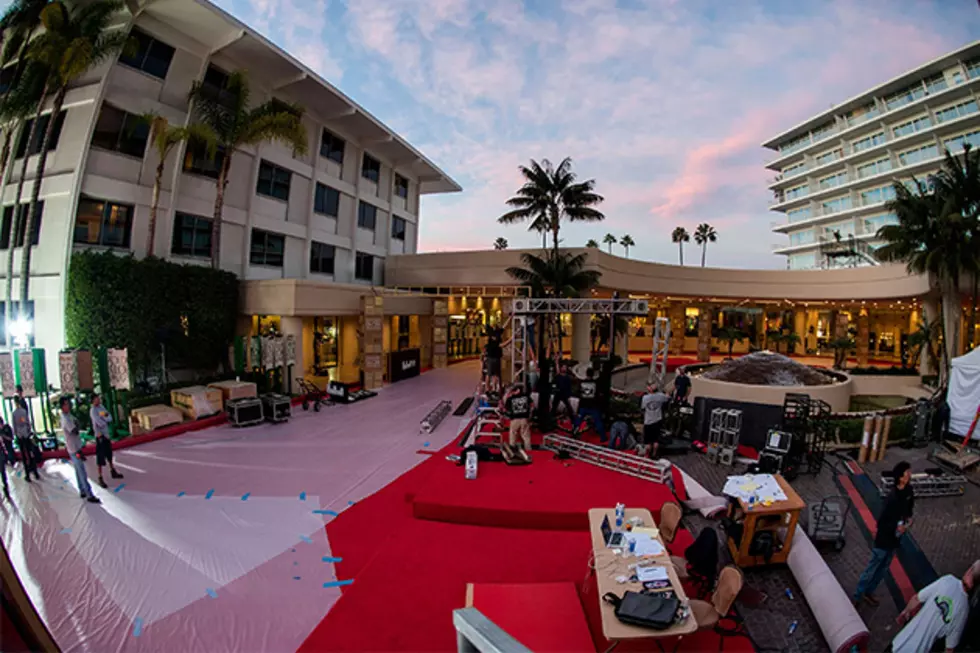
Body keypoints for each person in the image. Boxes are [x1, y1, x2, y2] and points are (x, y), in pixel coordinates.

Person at [854, 460, 914, 606]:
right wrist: (896, 528)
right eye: (907, 472)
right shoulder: (892, 498)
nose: (910, 474)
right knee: (873, 567)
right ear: (900, 477)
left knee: (883, 568)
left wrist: (908, 522)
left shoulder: (909, 491)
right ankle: (858, 595)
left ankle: (869, 592)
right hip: (884, 539)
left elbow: (910, 510)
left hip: (895, 539)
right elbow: (882, 521)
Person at [891, 560, 979, 653]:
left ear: (969, 571)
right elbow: (949, 648)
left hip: (900, 642)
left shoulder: (948, 580)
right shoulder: (964, 611)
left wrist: (906, 611)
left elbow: (917, 598)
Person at [60, 398, 100, 504]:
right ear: (62, 406)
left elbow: (77, 424)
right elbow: (75, 430)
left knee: (78, 469)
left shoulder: (69, 416)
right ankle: (89, 493)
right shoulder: (65, 419)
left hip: (76, 445)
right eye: (66, 404)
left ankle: (82, 490)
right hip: (73, 447)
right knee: (81, 470)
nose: (68, 406)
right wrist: (77, 425)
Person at [89, 394, 123, 488]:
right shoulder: (93, 411)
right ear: (93, 401)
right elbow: (99, 423)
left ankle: (113, 470)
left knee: (109, 454)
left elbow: (109, 417)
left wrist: (104, 418)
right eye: (96, 399)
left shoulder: (101, 407)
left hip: (106, 435)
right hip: (100, 436)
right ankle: (100, 477)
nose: (98, 400)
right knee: (100, 457)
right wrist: (104, 419)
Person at [574, 368, 605, 442]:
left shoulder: (582, 383)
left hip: (583, 405)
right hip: (593, 406)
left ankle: (574, 434)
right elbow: (599, 395)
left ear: (586, 374)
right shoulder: (596, 383)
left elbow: (578, 393)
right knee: (598, 421)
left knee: (578, 421)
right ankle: (603, 437)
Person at [12, 398, 39, 482]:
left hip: (20, 436)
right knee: (30, 453)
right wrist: (28, 431)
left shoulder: (14, 413)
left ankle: (27, 475)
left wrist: (17, 434)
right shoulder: (24, 412)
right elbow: (28, 422)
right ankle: (35, 472)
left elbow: (14, 426)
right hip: (26, 434)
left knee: (24, 456)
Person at [641, 384, 670, 458]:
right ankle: (654, 454)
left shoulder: (645, 398)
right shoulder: (660, 396)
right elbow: (668, 396)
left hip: (648, 421)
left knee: (648, 441)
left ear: (650, 389)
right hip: (657, 420)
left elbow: (643, 408)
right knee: (656, 440)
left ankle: (647, 455)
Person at [503, 383, 532, 452]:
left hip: (515, 419)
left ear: (517, 390)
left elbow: (506, 407)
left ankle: (512, 449)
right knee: (526, 435)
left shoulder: (511, 398)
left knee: (513, 434)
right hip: (524, 418)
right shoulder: (526, 396)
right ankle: (528, 449)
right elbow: (532, 405)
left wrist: (508, 395)